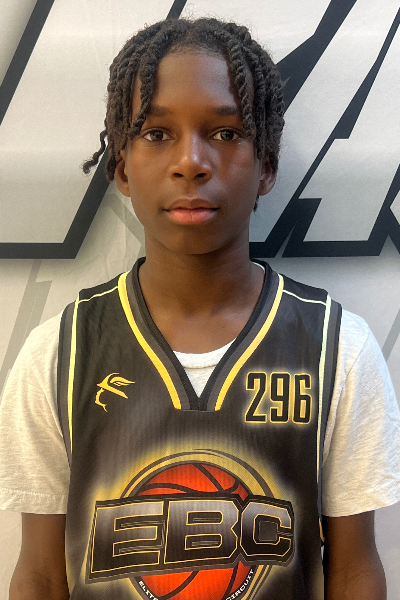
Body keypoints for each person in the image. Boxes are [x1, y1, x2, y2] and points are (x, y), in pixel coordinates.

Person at [1, 17, 399, 600]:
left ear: (266, 166)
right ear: (122, 168)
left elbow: (355, 569)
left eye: (226, 132)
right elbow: (39, 575)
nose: (190, 161)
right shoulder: (58, 355)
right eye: (157, 133)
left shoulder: (337, 349)